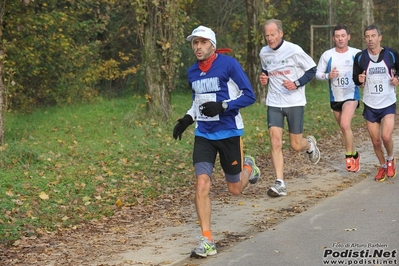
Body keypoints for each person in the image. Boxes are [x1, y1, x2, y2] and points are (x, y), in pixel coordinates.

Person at [173, 25, 261, 258]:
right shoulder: (192, 71)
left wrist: (223, 106)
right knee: (202, 183)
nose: (198, 47)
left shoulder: (229, 65)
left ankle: (248, 166)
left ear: (212, 45)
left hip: (229, 132)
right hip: (204, 135)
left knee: (234, 189)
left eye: (202, 42)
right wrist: (187, 119)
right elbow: (197, 101)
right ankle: (207, 239)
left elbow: (249, 95)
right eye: (195, 43)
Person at [259, 19, 320, 197]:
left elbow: (312, 69)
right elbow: (266, 70)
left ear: (281, 33)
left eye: (272, 35)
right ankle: (280, 183)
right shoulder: (264, 52)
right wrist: (264, 78)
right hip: (274, 102)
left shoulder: (294, 50)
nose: (270, 39)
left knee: (295, 145)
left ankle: (309, 145)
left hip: (294, 102)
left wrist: (296, 83)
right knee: (275, 141)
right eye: (267, 35)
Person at [353, 24, 399, 182]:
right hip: (370, 104)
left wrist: (397, 78)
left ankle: (391, 159)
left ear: (380, 37)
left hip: (387, 103)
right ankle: (382, 166)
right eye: (367, 36)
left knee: (386, 137)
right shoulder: (361, 57)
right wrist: (359, 80)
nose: (370, 39)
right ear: (365, 39)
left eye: (373, 36)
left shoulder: (391, 54)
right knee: (375, 141)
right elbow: (355, 78)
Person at [316, 24, 361, 172]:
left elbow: (365, 71)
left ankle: (349, 157)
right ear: (333, 38)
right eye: (337, 36)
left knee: (344, 124)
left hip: (351, 95)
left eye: (343, 36)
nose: (340, 39)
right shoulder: (327, 55)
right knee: (344, 128)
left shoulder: (357, 54)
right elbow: (318, 74)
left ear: (348, 37)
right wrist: (328, 75)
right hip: (335, 97)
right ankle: (355, 154)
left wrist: (362, 79)